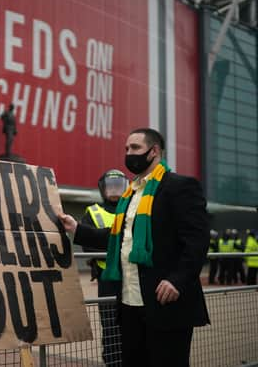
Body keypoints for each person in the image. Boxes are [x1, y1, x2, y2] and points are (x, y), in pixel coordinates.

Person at [58, 128, 209, 367]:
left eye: (136, 148)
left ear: (154, 151)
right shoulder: (130, 194)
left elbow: (197, 240)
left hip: (165, 303)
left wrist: (177, 280)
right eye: (127, 149)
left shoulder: (180, 186)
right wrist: (76, 228)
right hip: (129, 303)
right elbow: (117, 237)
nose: (129, 154)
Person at [80, 169, 128, 366]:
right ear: (102, 189)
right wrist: (118, 246)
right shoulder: (93, 212)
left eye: (119, 186)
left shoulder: (132, 210)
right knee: (110, 325)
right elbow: (88, 244)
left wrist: (106, 244)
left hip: (131, 277)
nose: (115, 191)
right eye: (111, 187)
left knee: (133, 323)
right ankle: (113, 362)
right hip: (106, 278)